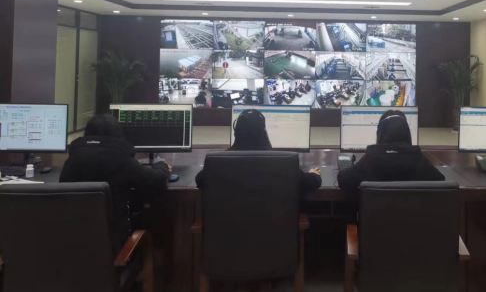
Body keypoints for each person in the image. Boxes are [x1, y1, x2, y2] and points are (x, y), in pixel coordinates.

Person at [60, 114, 170, 253]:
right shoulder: (122, 160)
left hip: (72, 247)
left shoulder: (71, 162)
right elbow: (157, 181)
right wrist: (161, 165)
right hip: (115, 250)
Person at [195, 109, 322, 193]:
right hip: (274, 226)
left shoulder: (217, 162)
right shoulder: (284, 163)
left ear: (236, 132)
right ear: (263, 132)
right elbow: (311, 183)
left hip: (227, 226)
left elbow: (200, 181)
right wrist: (313, 175)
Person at [337, 111, 444, 192]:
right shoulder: (418, 158)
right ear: (407, 132)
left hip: (375, 216)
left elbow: (343, 180)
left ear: (380, 133)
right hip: (413, 216)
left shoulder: (370, 159)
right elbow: (441, 182)